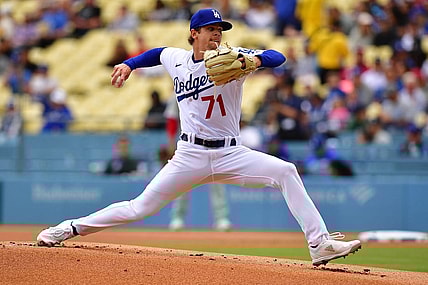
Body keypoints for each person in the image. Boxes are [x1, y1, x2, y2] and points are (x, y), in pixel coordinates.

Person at [36, 8, 361, 266]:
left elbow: (280, 57)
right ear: (195, 34)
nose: (218, 34)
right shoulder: (177, 59)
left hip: (231, 153)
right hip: (189, 155)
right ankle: (69, 227)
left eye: (220, 30)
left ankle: (319, 245)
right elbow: (157, 53)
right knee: (139, 208)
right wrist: (129, 64)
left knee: (286, 172)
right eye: (211, 29)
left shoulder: (235, 60)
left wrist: (255, 59)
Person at [163, 95, 232, 231]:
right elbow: (172, 120)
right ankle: (177, 217)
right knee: (182, 182)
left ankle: (221, 218)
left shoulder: (215, 87)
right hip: (189, 145)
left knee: (217, 182)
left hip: (214, 143)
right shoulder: (181, 88)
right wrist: (171, 143)